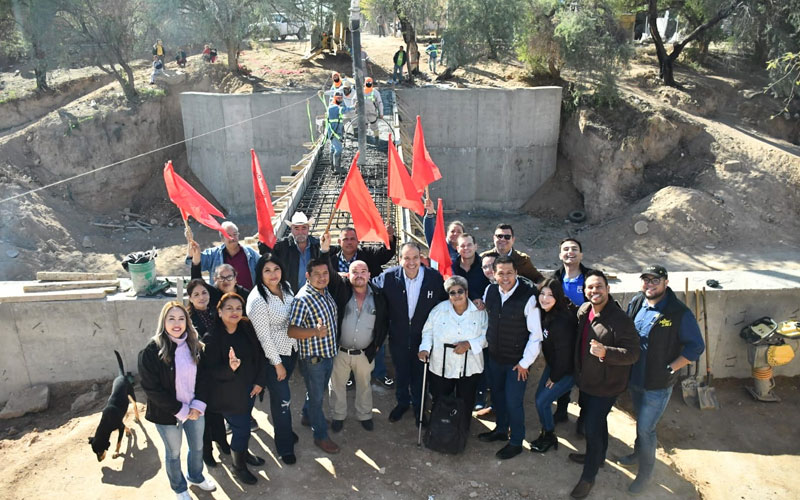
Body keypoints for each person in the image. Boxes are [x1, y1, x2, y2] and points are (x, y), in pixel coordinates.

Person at [620, 265, 705, 494]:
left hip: (658, 384)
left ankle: (645, 475)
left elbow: (696, 346)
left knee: (646, 429)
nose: (649, 284)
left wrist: (672, 367)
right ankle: (638, 454)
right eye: (645, 280)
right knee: (640, 422)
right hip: (636, 377)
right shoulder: (638, 302)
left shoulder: (678, 313)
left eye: (654, 280)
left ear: (665, 282)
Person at [568, 270, 640, 499]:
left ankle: (588, 477)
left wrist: (605, 352)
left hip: (606, 385)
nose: (594, 291)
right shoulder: (585, 311)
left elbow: (633, 353)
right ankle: (597, 457)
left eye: (599, 287)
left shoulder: (619, 319)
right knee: (597, 423)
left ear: (607, 289)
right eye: (590, 288)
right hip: (587, 381)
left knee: (592, 427)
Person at [138, 301, 216, 499]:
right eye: (171, 318)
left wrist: (198, 406)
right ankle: (179, 488)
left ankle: (196, 477)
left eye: (181, 318)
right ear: (163, 322)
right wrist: (180, 410)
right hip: (167, 414)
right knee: (173, 453)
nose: (176, 323)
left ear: (187, 322)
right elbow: (151, 388)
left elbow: (205, 378)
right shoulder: (151, 351)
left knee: (197, 446)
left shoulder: (195, 346)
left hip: (195, 409)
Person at [373, 242, 447, 424]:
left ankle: (419, 408)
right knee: (401, 372)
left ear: (421, 257)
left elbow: (447, 301)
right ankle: (402, 403)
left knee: (420, 375)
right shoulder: (389, 277)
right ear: (400, 259)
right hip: (398, 336)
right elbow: (368, 287)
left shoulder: (433, 278)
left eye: (415, 257)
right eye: (407, 258)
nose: (411, 262)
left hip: (424, 339)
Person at [478, 256, 543, 460]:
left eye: (509, 273)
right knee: (497, 397)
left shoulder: (528, 296)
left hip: (517, 363)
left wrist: (525, 363)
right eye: (501, 273)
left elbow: (536, 335)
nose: (505, 277)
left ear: (516, 273)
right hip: (495, 357)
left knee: (513, 402)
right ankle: (500, 430)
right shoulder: (490, 291)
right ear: (494, 274)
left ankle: (516, 441)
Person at [202, 293, 267, 485]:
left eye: (238, 308)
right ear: (219, 311)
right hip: (227, 395)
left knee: (243, 427)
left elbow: (260, 354)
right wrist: (230, 368)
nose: (234, 312)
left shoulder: (246, 327)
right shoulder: (212, 337)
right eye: (229, 308)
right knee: (242, 429)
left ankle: (243, 454)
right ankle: (238, 467)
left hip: (249, 389)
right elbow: (209, 373)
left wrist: (259, 381)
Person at [246, 254, 300, 465]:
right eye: (267, 270)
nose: (272, 274)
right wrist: (277, 364)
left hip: (290, 349)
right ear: (260, 273)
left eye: (276, 269)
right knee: (282, 401)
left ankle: (284, 431)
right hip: (272, 358)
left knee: (283, 397)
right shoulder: (258, 300)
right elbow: (263, 337)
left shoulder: (285, 286)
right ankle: (284, 446)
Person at [327, 257, 389, 432]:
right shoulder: (341, 291)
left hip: (365, 352)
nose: (359, 275)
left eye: (363, 271)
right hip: (340, 350)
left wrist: (377, 345)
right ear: (348, 275)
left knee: (364, 384)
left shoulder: (378, 295)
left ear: (369, 274)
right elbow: (329, 274)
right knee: (337, 385)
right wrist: (324, 251)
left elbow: (384, 322)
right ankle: (338, 415)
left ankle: (364, 415)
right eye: (355, 272)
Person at [288, 250, 341, 454]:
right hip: (313, 359)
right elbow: (292, 330)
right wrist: (314, 332)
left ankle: (307, 415)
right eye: (317, 274)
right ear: (307, 276)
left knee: (315, 393)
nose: (322, 277)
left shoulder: (325, 292)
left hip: (327, 354)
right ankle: (320, 435)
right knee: (318, 398)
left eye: (325, 273)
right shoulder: (303, 299)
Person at [418, 275, 487, 428]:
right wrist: (424, 348)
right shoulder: (438, 310)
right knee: (440, 399)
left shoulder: (480, 312)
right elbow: (427, 331)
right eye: (452, 292)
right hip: (441, 365)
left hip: (470, 366)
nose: (456, 295)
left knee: (466, 400)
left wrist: (469, 344)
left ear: (467, 293)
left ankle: (461, 430)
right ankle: (440, 429)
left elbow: (486, 336)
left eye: (460, 291)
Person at [185, 279, 230, 467]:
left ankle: (222, 442)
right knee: (204, 412)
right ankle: (207, 451)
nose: (201, 297)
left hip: (218, 370)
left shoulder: (215, 311)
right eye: (196, 294)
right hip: (200, 374)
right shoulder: (188, 319)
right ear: (190, 298)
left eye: (204, 292)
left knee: (218, 410)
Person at [549, 238, 593, 430]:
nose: (570, 252)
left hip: (585, 334)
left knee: (585, 376)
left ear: (581, 255)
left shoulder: (591, 277)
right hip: (563, 336)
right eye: (566, 249)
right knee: (563, 370)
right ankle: (562, 410)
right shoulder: (555, 278)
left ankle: (584, 418)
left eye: (574, 249)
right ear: (560, 255)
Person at [530, 278, 577, 453]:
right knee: (540, 400)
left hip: (566, 370)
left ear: (558, 297)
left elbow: (565, 355)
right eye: (542, 293)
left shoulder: (561, 321)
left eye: (550, 295)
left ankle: (549, 436)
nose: (545, 298)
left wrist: (554, 377)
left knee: (542, 401)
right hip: (555, 365)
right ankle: (547, 431)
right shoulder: (544, 313)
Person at [258, 211, 324, 292]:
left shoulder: (317, 245)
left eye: (304, 228)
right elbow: (265, 251)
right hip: (290, 295)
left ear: (308, 229)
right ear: (291, 229)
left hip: (314, 295)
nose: (300, 232)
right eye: (296, 228)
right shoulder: (282, 246)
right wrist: (264, 239)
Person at [186, 221, 259, 291]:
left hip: (247, 298)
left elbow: (263, 266)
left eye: (235, 234)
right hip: (221, 300)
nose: (233, 238)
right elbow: (194, 263)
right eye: (228, 235)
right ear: (222, 239)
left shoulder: (250, 253)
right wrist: (190, 242)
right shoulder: (213, 254)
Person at [480, 223, 544, 284]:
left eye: (507, 237)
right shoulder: (483, 258)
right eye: (499, 236)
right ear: (494, 238)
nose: (502, 239)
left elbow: (539, 279)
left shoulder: (522, 259)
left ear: (513, 240)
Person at [452, 233, 489, 303]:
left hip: (481, 309)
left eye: (469, 245)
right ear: (457, 249)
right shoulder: (451, 267)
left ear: (475, 246)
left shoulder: (485, 265)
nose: (466, 248)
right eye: (462, 246)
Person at [423, 198, 463, 263]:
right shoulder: (439, 247)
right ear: (447, 234)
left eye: (459, 232)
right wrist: (430, 213)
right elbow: (429, 231)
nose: (455, 234)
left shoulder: (466, 251)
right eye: (452, 231)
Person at [364, 77, 384, 142]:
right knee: (363, 126)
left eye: (370, 82)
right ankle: (364, 140)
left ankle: (376, 138)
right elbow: (354, 100)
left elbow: (380, 103)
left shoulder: (375, 92)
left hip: (372, 112)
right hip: (363, 113)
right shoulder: (360, 91)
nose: (368, 83)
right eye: (367, 82)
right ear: (364, 83)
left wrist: (381, 113)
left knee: (374, 126)